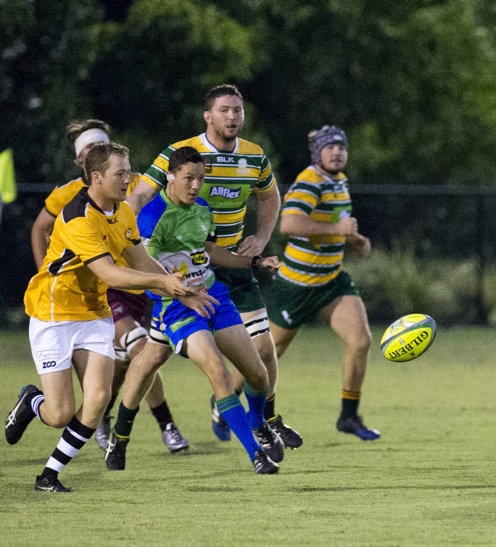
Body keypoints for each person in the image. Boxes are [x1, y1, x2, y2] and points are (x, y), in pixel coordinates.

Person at [5, 142, 205, 492]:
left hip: (95, 313)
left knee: (97, 399)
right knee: (59, 414)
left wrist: (182, 292)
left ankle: (49, 475)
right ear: (96, 177)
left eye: (129, 171)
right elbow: (111, 275)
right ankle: (32, 401)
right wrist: (163, 282)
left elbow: (141, 263)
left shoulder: (124, 212)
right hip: (53, 313)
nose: (128, 179)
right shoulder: (78, 216)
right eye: (120, 173)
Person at [127, 84, 300, 448]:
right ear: (208, 116)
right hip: (183, 265)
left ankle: (263, 422)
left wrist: (261, 236)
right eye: (224, 110)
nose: (233, 116)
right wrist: (122, 232)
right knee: (154, 354)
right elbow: (140, 194)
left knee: (264, 349)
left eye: (238, 110)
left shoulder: (253, 156)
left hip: (231, 261)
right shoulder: (180, 154)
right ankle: (120, 430)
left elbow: (270, 196)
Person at [105, 146, 283, 474]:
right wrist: (184, 295)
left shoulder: (202, 208)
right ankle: (256, 454)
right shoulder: (150, 217)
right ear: (170, 177)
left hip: (212, 294)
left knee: (257, 373)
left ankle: (257, 424)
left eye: (201, 179)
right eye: (189, 178)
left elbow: (210, 250)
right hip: (175, 306)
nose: (196, 186)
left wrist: (254, 262)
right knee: (217, 370)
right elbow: (147, 270)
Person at [29, 119, 190, 454]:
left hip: (116, 295)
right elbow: (42, 231)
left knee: (102, 391)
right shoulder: (71, 203)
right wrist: (48, 272)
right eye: (88, 152)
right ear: (87, 167)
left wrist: (181, 287)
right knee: (136, 349)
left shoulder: (127, 198)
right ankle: (165, 423)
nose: (126, 177)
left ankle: (79, 443)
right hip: (88, 295)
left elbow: (142, 256)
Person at [268, 125, 379, 441]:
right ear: (318, 153)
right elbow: (289, 224)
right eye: (329, 147)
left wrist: (355, 239)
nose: (336, 152)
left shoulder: (339, 182)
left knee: (360, 341)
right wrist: (338, 228)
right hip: (297, 285)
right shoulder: (310, 182)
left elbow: (336, 227)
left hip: (331, 281)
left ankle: (348, 416)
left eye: (341, 147)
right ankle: (225, 400)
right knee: (267, 353)